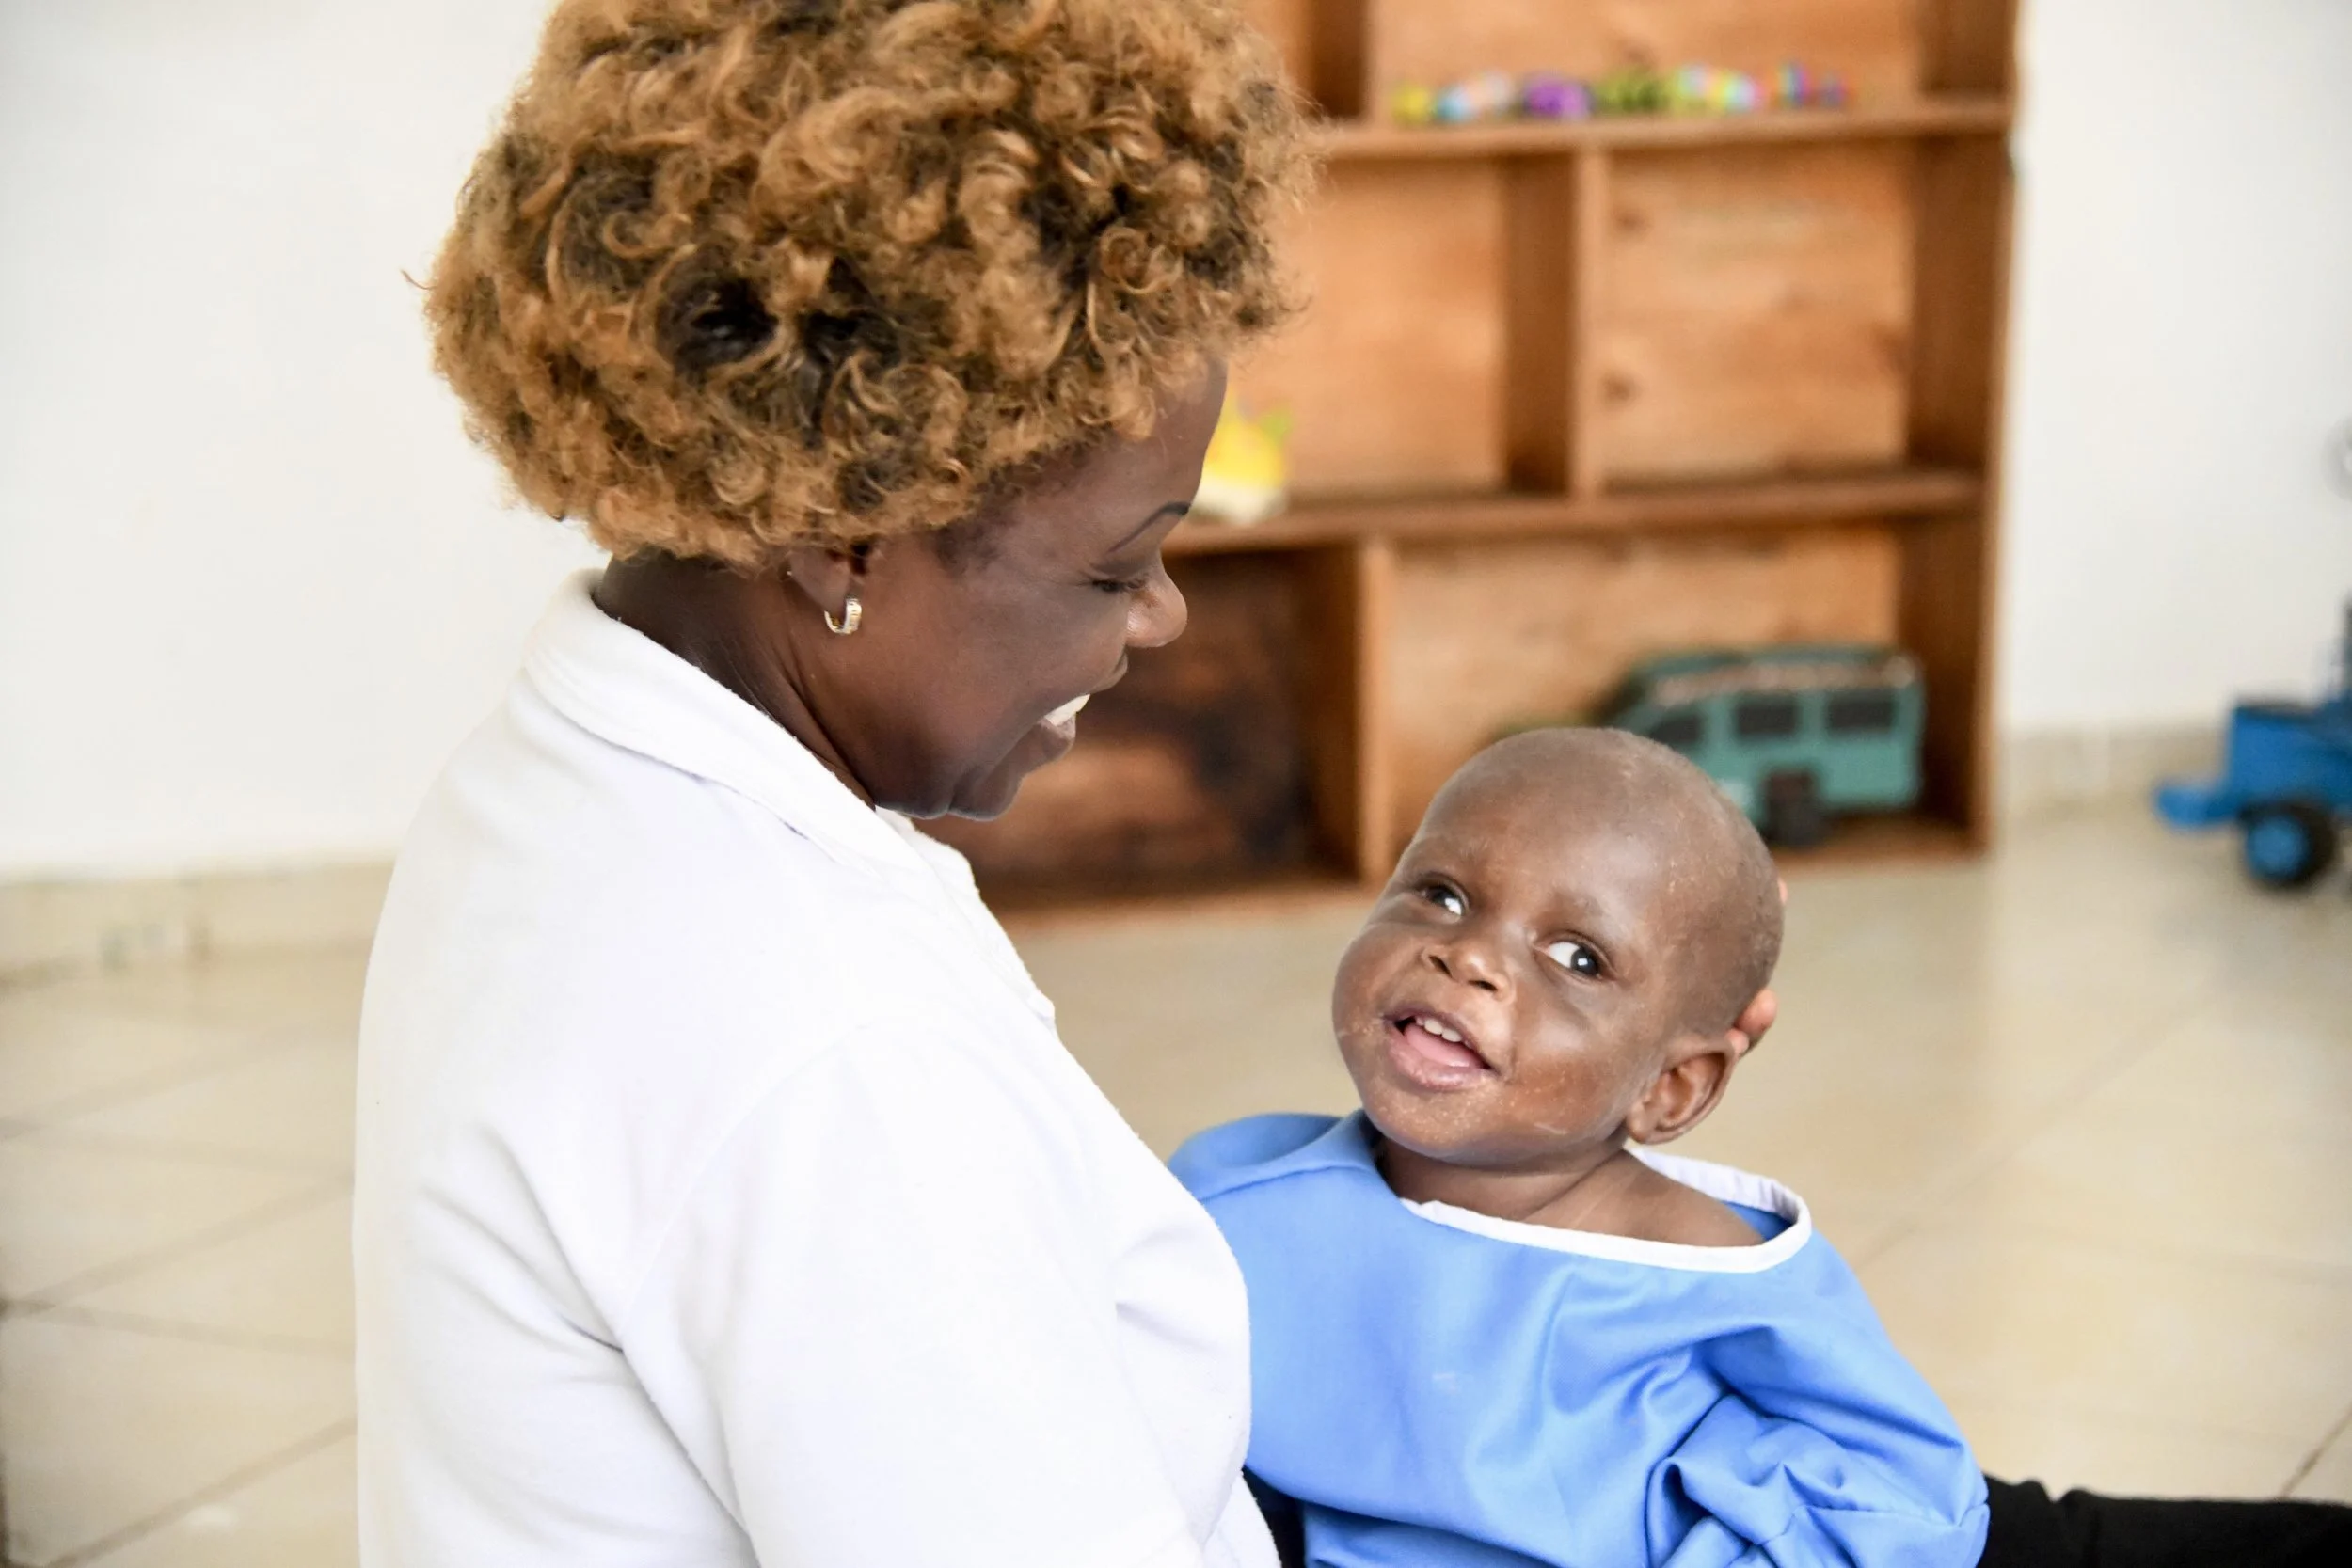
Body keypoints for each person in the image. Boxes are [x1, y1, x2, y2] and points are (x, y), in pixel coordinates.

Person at [351, 2, 1364, 1563]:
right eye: (1120, 564)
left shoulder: (552, 772)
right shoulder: (836, 1057)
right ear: (845, 538)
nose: (1160, 616)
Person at [1172, 729, 2352, 1568]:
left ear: (1673, 1085)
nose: (1468, 957)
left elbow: (1907, 1498)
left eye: (1578, 957)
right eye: (1437, 893)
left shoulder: (1704, 1265)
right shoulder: (1236, 1196)